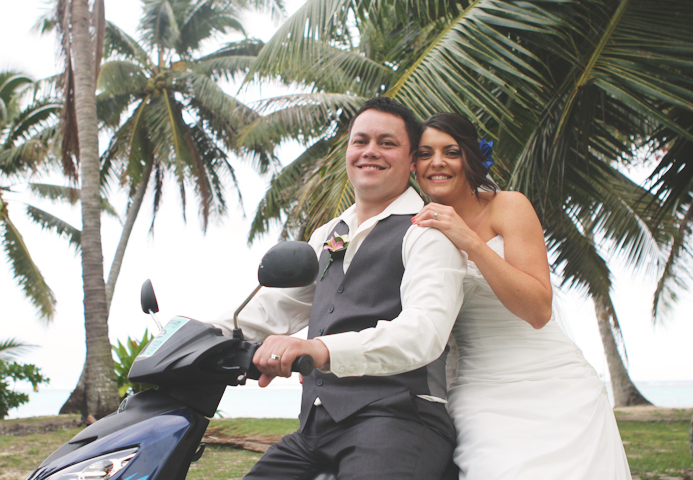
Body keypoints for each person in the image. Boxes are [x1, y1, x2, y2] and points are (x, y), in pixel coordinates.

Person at [211, 97, 465, 479]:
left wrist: (317, 348)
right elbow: (276, 307)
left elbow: (423, 333)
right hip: (314, 429)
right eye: (360, 141)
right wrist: (198, 333)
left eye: (387, 143)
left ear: (413, 160)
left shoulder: (428, 233)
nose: (370, 152)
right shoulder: (329, 234)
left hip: (397, 421)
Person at [412, 112, 632, 480]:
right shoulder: (415, 228)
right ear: (413, 164)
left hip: (556, 383)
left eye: (450, 151)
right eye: (425, 153)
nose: (437, 162)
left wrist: (467, 239)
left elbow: (537, 309)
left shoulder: (508, 205)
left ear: (470, 157)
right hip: (481, 390)